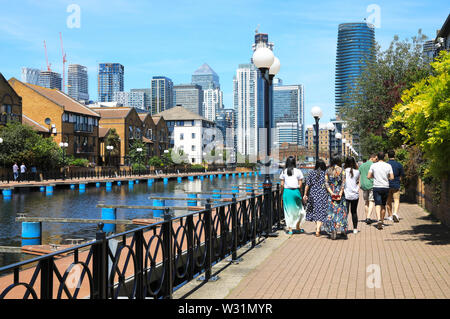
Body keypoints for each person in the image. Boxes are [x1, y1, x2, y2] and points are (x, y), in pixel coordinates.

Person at [323, 156, 348, 240]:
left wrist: (331, 193)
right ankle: (342, 229)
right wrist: (340, 193)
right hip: (340, 192)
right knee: (341, 211)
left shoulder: (328, 170)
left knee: (331, 212)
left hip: (331, 193)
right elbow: (343, 183)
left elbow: (326, 183)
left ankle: (332, 230)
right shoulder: (342, 170)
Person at [368, 152, 394, 230]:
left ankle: (379, 219)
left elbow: (368, 176)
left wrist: (374, 176)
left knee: (377, 204)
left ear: (377, 158)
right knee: (383, 204)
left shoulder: (373, 165)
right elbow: (392, 177)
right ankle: (382, 221)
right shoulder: (388, 166)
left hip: (376, 187)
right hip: (385, 187)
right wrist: (386, 178)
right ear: (384, 158)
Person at [279, 156, 305, 235]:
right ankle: (297, 227)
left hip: (287, 192)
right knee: (300, 210)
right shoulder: (298, 171)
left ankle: (290, 229)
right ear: (294, 163)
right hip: (296, 192)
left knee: (288, 211)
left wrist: (282, 193)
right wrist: (300, 193)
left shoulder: (284, 171)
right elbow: (300, 185)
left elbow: (282, 185)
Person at [304, 159, 328, 237]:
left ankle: (318, 227)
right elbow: (328, 184)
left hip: (313, 194)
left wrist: (305, 194)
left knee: (315, 210)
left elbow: (307, 184)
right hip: (323, 194)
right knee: (321, 211)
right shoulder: (325, 173)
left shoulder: (311, 173)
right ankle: (318, 229)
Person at [386, 150, 405, 223]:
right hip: (396, 184)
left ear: (388, 156)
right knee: (396, 200)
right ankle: (395, 213)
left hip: (387, 185)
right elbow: (401, 175)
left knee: (388, 201)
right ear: (395, 155)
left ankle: (390, 216)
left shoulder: (386, 164)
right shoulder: (399, 165)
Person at [359, 154, 377, 224]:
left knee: (366, 202)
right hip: (371, 184)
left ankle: (367, 217)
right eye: (376, 158)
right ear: (372, 158)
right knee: (371, 201)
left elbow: (359, 173)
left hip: (364, 185)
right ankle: (368, 217)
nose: (376, 160)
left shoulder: (362, 165)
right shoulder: (373, 165)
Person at [344, 156, 360, 234]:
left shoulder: (343, 171)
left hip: (346, 194)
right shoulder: (357, 172)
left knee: (345, 212)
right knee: (354, 212)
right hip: (355, 194)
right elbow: (357, 181)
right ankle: (355, 229)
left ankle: (344, 228)